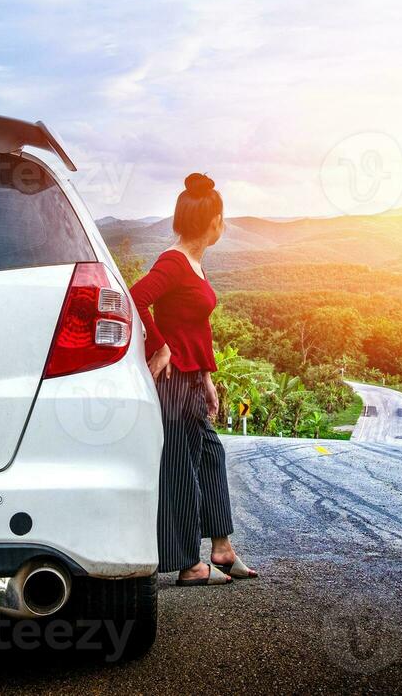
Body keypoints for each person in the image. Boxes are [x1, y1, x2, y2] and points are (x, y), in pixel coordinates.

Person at [130, 173, 258, 586]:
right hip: (170, 381)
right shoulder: (173, 261)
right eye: (222, 217)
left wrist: (206, 377)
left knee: (209, 455)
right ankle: (188, 564)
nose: (224, 224)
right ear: (213, 221)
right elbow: (137, 297)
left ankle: (221, 546)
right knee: (180, 469)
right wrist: (160, 346)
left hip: (189, 379)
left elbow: (197, 327)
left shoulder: (194, 263)